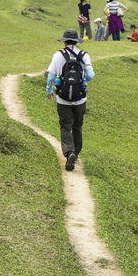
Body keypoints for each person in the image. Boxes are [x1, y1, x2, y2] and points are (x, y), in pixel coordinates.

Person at [46, 29, 94, 171]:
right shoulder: (84, 55)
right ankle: (76, 154)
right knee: (77, 126)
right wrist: (82, 81)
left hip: (63, 99)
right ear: (76, 41)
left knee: (65, 126)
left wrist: (49, 90)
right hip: (80, 99)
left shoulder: (58, 55)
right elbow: (91, 74)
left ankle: (69, 152)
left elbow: (51, 77)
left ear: (65, 41)